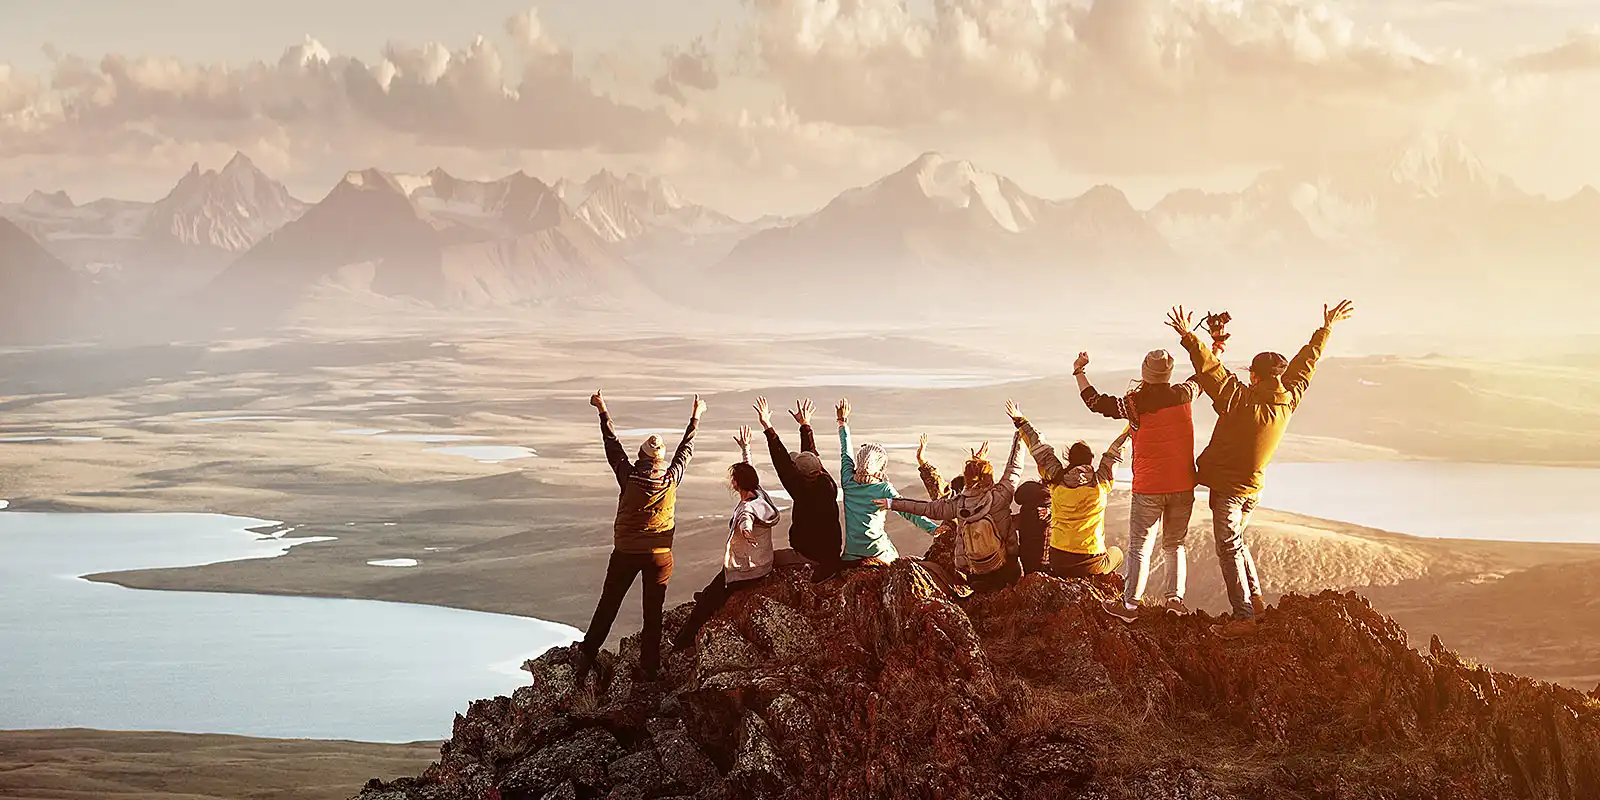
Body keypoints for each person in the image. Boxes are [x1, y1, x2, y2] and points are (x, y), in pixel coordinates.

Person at [1167, 300, 1355, 638]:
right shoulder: (1289, 397)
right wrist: (1325, 330)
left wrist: (1187, 335)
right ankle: (1255, 603)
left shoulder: (1239, 400)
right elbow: (1306, 364)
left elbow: (1210, 371)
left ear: (1254, 375)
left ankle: (1244, 617)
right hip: (1254, 489)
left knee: (1228, 549)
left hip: (1230, 490)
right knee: (1237, 543)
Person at [573, 391, 703, 686]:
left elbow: (612, 444)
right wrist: (696, 415)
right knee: (652, 612)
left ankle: (585, 658)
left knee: (609, 605)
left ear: (642, 457)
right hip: (659, 555)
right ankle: (649, 669)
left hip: (626, 553)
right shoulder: (671, 479)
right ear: (660, 460)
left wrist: (602, 409)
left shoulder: (628, 476)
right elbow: (686, 449)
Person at [1075, 349, 1202, 622]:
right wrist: (1215, 348)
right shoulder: (1185, 393)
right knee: (1175, 544)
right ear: (1168, 373)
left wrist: (1080, 371)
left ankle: (1130, 605)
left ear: (1145, 372)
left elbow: (1095, 402)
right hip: (1183, 484)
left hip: (1149, 487)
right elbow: (1204, 376)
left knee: (1140, 547)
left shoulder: (1133, 404)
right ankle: (1174, 601)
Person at [877, 430, 1026, 592]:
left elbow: (924, 508)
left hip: (976, 574)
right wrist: (1020, 429)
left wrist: (892, 503)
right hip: (1006, 570)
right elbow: (1014, 468)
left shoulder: (957, 505)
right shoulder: (1000, 497)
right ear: (989, 477)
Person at [672, 427, 781, 649]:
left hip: (747, 570)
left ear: (736, 484)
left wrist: (747, 533)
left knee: (706, 602)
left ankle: (683, 641)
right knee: (713, 588)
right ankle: (709, 595)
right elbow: (750, 473)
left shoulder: (746, 509)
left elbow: (745, 522)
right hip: (763, 563)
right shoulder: (761, 496)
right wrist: (745, 448)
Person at [1006, 399, 1129, 578]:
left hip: (1058, 559)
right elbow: (1115, 453)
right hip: (1091, 561)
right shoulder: (1100, 482)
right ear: (1090, 461)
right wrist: (1132, 427)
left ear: (1069, 459)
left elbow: (1039, 449)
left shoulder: (1056, 480)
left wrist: (1020, 420)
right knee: (1117, 553)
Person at [836, 398, 937, 565]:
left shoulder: (848, 480)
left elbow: (845, 453)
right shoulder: (883, 488)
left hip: (852, 553)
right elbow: (909, 511)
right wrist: (934, 530)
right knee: (895, 558)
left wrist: (842, 422)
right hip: (877, 551)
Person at [751, 397, 843, 579]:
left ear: (799, 475)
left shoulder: (802, 491)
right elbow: (810, 455)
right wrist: (805, 424)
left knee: (763, 561)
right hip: (831, 553)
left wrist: (767, 426)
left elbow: (781, 461)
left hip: (809, 556)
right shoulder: (827, 483)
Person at [1013, 477, 1052, 574]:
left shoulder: (1028, 511)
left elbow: (1014, 523)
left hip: (1030, 557)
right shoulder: (1052, 506)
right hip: (1049, 557)